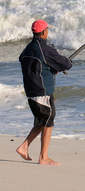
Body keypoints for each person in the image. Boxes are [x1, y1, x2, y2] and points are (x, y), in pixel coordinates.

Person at [17, 20, 73, 165]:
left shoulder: (27, 49)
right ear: (43, 32)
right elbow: (67, 63)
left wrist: (52, 69)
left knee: (42, 121)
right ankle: (43, 157)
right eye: (47, 29)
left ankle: (24, 147)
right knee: (48, 122)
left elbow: (36, 67)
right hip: (42, 92)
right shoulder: (45, 49)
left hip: (31, 91)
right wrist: (61, 66)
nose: (48, 31)